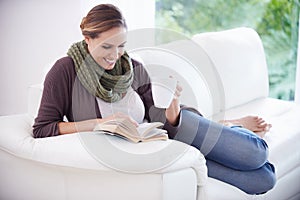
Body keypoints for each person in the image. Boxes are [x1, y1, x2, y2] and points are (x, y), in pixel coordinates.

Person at [33, 4, 275, 195]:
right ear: (88, 39)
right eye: (107, 46)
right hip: (153, 152)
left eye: (121, 46)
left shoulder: (133, 68)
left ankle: (229, 124)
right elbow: (43, 129)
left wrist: (171, 113)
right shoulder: (65, 71)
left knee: (256, 154)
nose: (115, 56)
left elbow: (151, 114)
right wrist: (97, 124)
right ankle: (224, 125)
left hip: (171, 129)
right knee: (264, 179)